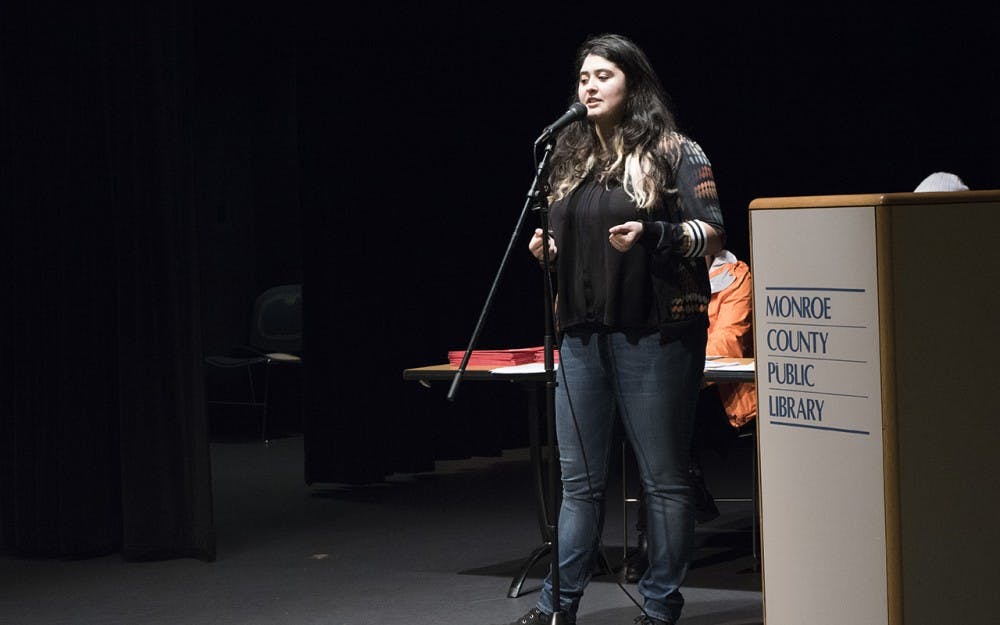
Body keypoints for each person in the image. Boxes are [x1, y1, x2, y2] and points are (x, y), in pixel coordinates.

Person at [505, 33, 726, 625]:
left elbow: (713, 236)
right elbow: (569, 238)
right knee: (578, 484)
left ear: (633, 82)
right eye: (583, 78)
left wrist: (654, 233)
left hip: (654, 334)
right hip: (580, 336)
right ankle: (559, 608)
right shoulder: (567, 158)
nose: (590, 86)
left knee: (662, 480)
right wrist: (549, 247)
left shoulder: (677, 150)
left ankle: (659, 606)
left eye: (603, 75)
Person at [622, 248, 757, 583]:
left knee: (664, 423)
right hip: (670, 391)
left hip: (719, 399)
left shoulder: (736, 277)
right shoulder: (662, 273)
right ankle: (681, 493)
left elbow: (729, 340)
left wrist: (676, 362)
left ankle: (651, 542)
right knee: (656, 419)